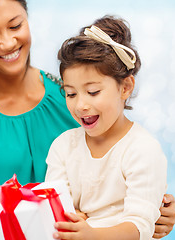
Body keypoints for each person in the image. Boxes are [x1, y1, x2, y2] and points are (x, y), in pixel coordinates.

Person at [0, 0, 175, 239]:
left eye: (16, 26)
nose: (8, 42)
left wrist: (156, 209)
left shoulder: (71, 99)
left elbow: (117, 168)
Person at [45, 16, 167, 240]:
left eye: (93, 92)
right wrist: (68, 218)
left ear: (125, 87)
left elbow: (140, 226)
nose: (81, 105)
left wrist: (91, 234)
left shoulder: (142, 149)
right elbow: (54, 211)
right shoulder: (63, 146)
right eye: (71, 93)